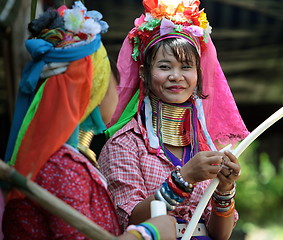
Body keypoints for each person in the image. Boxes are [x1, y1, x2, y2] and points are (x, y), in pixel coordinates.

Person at [2, 2, 176, 239]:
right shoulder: (60, 166)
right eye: (112, 82)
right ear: (94, 87)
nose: (118, 90)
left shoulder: (60, 159)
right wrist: (148, 233)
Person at [99, 0, 250, 239]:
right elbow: (128, 219)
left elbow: (220, 234)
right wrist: (185, 178)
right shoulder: (125, 144)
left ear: (198, 74)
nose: (176, 76)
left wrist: (225, 188)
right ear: (144, 74)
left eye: (186, 67)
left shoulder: (205, 145)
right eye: (164, 66)